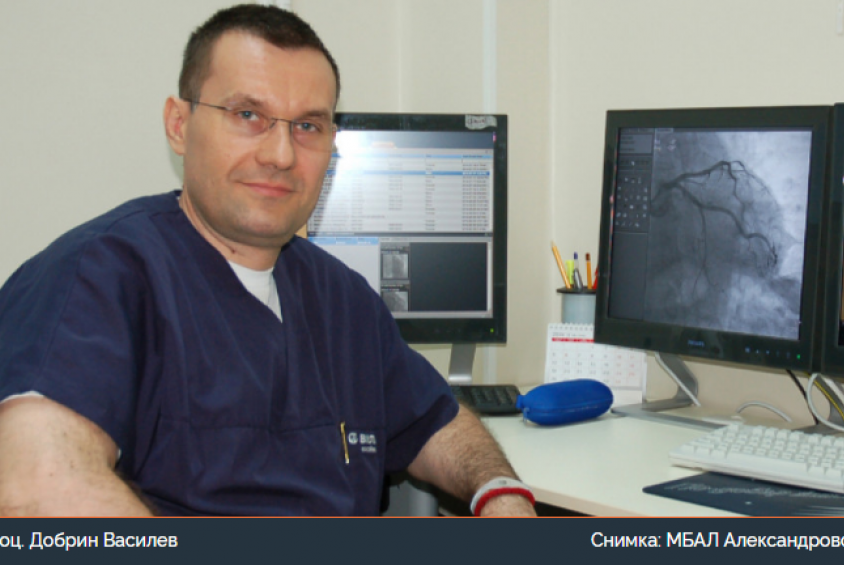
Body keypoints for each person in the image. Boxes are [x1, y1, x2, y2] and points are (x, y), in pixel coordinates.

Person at [0, 4, 535, 517]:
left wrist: (501, 495)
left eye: (308, 126)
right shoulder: (97, 279)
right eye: (248, 115)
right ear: (179, 125)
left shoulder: (342, 299)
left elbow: (437, 423)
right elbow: (34, 494)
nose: (281, 155)